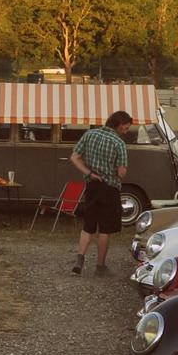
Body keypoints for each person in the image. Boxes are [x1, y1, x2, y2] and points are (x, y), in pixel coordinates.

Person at [68, 109, 132, 275]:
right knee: (105, 228)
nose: (125, 132)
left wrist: (89, 173)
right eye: (125, 128)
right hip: (110, 188)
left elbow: (74, 157)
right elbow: (122, 173)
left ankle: (80, 259)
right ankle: (100, 266)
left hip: (92, 184)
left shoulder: (90, 134)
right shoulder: (119, 143)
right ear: (119, 124)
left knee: (88, 224)